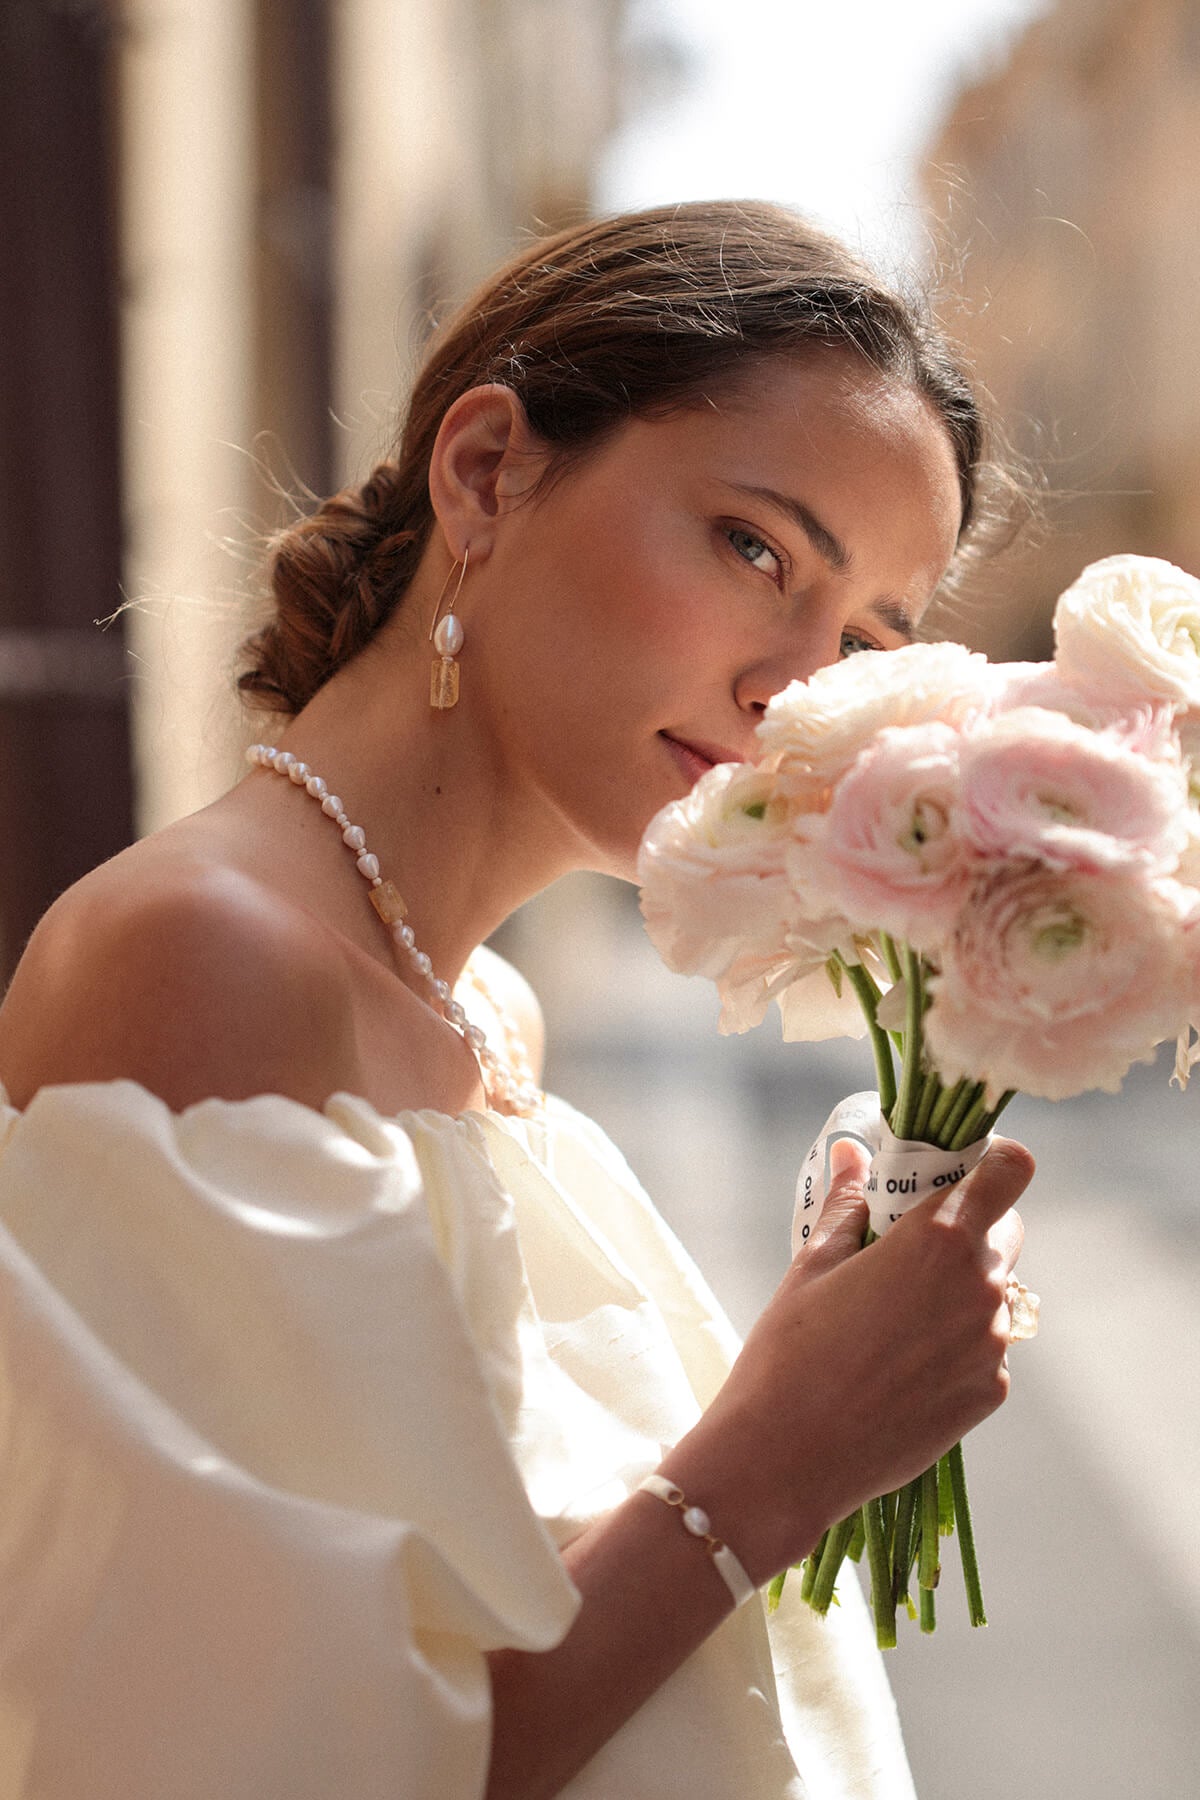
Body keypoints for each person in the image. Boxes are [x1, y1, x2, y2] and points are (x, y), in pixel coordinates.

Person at [0, 200, 1032, 1799]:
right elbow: (302, 1759)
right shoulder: (204, 966)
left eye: (865, 639)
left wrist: (831, 1355)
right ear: (486, 471)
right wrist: (782, 1451)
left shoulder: (480, 1019)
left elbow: (528, 1600)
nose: (795, 687)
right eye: (757, 548)